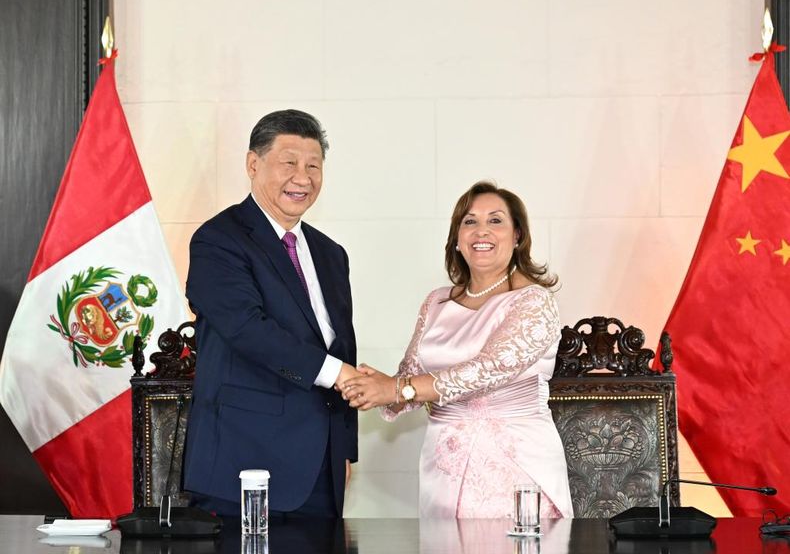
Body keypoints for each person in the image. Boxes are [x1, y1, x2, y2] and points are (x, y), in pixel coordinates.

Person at [340, 181, 573, 518]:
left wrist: (395, 388)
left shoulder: (534, 300)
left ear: (517, 235)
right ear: (458, 239)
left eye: (495, 221)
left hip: (515, 466)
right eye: (469, 221)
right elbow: (411, 376)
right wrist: (375, 386)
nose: (482, 231)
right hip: (443, 465)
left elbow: (488, 369)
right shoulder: (436, 302)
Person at [183, 110, 358, 518]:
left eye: (314, 165)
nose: (303, 177)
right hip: (245, 462)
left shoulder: (331, 254)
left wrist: (345, 449)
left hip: (321, 471)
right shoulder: (217, 240)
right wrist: (338, 374)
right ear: (253, 164)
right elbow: (248, 329)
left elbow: (341, 344)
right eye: (289, 163)